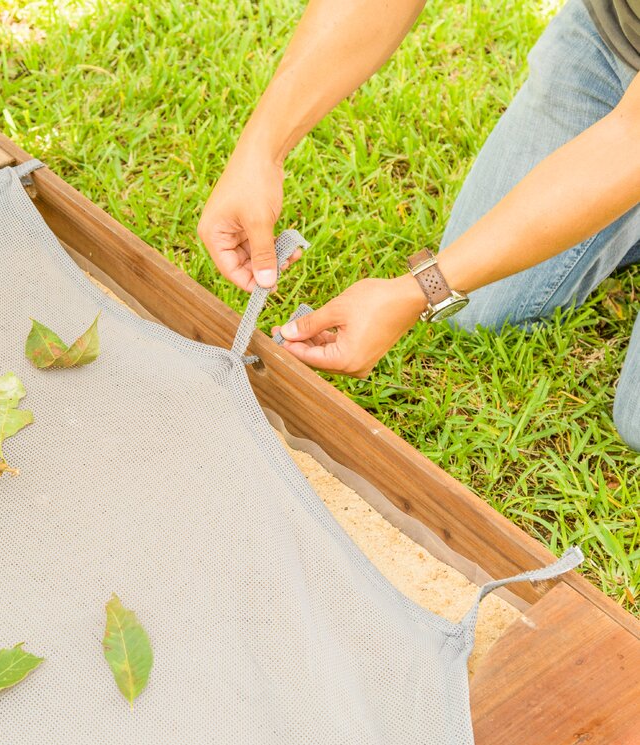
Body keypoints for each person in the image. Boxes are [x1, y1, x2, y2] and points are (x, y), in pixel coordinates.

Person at [197, 0, 640, 450]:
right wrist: (259, 152)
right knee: (481, 310)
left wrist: (416, 292)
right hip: (616, 35)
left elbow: (632, 141)